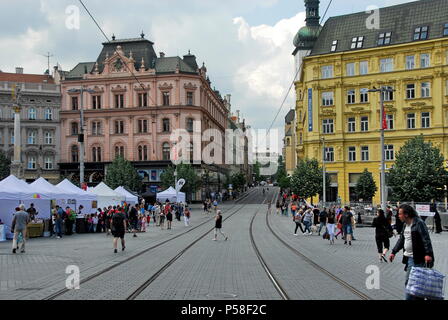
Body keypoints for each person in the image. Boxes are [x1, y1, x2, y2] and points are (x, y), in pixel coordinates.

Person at [389, 204, 435, 300]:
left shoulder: (419, 223)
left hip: (418, 259)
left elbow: (426, 239)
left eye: (400, 214)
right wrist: (394, 252)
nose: (398, 216)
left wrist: (428, 254)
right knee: (415, 285)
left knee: (411, 283)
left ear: (406, 214)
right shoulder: (405, 224)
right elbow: (401, 240)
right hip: (410, 259)